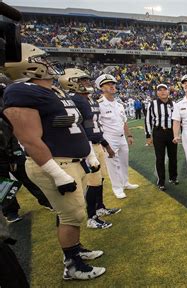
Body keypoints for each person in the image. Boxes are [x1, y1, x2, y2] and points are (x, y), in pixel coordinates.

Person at [2, 43, 106, 280]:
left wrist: (88, 153)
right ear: (28, 65)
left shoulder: (51, 91)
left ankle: (76, 249)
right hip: (57, 163)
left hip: (73, 160)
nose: (48, 63)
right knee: (72, 214)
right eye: (41, 59)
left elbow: (74, 125)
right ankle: (72, 265)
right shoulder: (21, 92)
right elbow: (29, 139)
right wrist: (56, 173)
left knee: (73, 211)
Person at [59, 68, 121, 230]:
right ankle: (91, 216)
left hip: (97, 143)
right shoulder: (73, 99)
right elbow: (78, 125)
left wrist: (105, 144)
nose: (87, 83)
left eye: (86, 80)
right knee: (93, 182)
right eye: (82, 80)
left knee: (99, 179)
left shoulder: (89, 98)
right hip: (87, 146)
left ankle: (99, 207)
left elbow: (94, 125)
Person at [1, 76, 53, 223]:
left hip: (12, 147)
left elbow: (11, 130)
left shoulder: (8, 104)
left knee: (28, 177)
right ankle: (10, 211)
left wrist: (14, 153)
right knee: (3, 183)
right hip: (3, 153)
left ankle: (46, 201)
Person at [96, 74, 139, 199]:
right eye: (108, 84)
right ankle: (117, 188)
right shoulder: (99, 104)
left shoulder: (119, 104)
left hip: (121, 138)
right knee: (113, 164)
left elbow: (124, 121)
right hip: (109, 138)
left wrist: (129, 135)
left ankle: (125, 183)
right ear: (101, 87)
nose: (112, 86)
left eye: (113, 84)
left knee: (124, 162)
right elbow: (97, 124)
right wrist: (103, 142)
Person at [145, 84, 178, 191]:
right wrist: (148, 135)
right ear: (157, 93)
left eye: (165, 90)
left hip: (172, 132)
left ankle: (173, 177)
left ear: (168, 92)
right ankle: (161, 181)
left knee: (173, 156)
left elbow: (178, 120)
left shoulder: (174, 104)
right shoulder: (152, 104)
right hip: (158, 132)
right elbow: (148, 120)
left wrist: (179, 134)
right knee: (160, 158)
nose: (163, 92)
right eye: (160, 90)